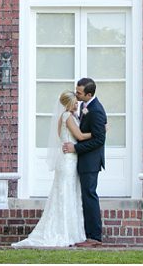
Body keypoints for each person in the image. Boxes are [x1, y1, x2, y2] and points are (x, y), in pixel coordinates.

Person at [11, 91, 89, 248]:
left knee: (67, 194)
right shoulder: (67, 116)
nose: (77, 104)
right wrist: (100, 132)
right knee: (65, 194)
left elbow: (64, 136)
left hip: (68, 159)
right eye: (74, 102)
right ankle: (64, 232)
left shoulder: (67, 117)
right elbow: (80, 136)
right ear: (68, 104)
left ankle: (71, 231)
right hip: (68, 161)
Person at [62, 77, 106, 247]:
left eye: (79, 92)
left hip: (90, 161)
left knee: (89, 196)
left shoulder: (96, 110)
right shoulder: (85, 106)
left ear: (89, 94)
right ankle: (86, 233)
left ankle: (94, 237)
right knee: (86, 196)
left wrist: (76, 148)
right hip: (84, 161)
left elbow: (99, 140)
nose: (76, 94)